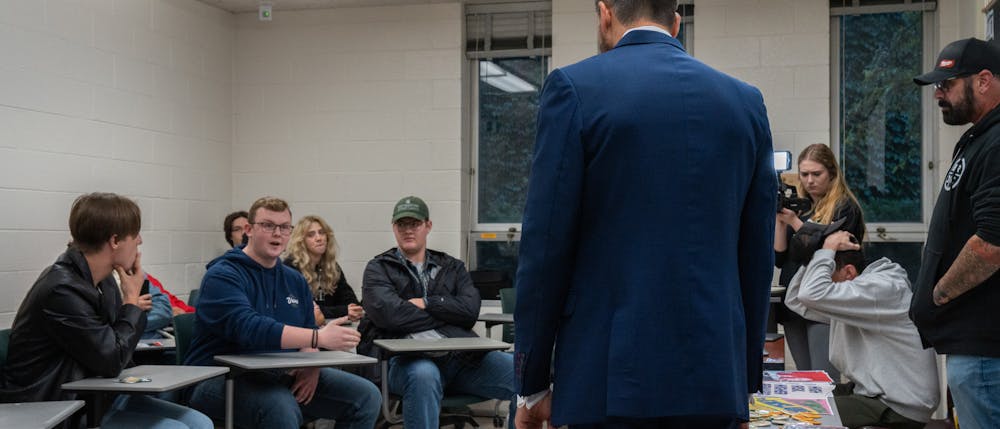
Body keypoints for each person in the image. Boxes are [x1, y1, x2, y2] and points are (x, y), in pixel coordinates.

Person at [512, 1, 776, 427]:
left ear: (605, 13)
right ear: (676, 23)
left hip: (606, 382)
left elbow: (545, 248)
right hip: (715, 380)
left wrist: (532, 384)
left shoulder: (574, 88)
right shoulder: (745, 102)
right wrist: (743, 385)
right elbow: (757, 256)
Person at [0, 192, 212, 429]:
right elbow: (112, 360)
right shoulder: (61, 289)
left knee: (199, 422)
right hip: (58, 406)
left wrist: (132, 299)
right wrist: (131, 303)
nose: (140, 241)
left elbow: (118, 348)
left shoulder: (105, 281)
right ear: (115, 241)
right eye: (135, 234)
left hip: (97, 395)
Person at [185, 197, 381, 429]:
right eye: (268, 225)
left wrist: (312, 366)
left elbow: (307, 328)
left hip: (278, 372)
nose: (277, 233)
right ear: (249, 229)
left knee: (366, 396)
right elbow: (248, 328)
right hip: (220, 377)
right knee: (280, 406)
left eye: (284, 227)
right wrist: (318, 338)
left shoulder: (294, 280)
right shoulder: (223, 275)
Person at [359, 196, 516, 428]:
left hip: (460, 359)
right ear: (393, 227)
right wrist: (448, 314)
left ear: (428, 226)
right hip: (406, 362)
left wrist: (427, 303)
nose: (408, 230)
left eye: (415, 224)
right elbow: (391, 316)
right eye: (402, 224)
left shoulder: (452, 266)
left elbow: (470, 310)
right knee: (424, 375)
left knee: (521, 375)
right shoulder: (378, 269)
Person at [910, 38, 1000, 429]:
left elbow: (993, 243)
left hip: (986, 351)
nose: (938, 95)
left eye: (947, 84)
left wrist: (938, 296)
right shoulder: (981, 138)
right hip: (975, 349)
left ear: (983, 80)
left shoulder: (997, 142)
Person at [785, 231, 939, 429]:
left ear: (849, 272)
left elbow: (811, 294)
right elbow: (796, 299)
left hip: (899, 406)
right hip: (875, 393)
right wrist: (816, 253)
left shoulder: (880, 289)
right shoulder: (860, 293)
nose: (823, 282)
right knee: (794, 400)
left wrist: (827, 250)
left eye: (826, 277)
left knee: (798, 415)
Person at [774, 143, 865, 380]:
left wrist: (794, 222)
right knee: (805, 377)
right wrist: (780, 221)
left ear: (831, 173)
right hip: (793, 300)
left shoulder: (845, 208)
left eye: (817, 174)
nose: (810, 181)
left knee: (824, 379)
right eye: (804, 174)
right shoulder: (801, 207)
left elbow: (830, 249)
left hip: (823, 301)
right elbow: (780, 258)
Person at [285, 215, 364, 324]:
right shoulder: (290, 267)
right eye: (311, 235)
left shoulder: (332, 267)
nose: (319, 238)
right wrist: (342, 311)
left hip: (331, 326)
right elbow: (300, 308)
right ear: (301, 241)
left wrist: (353, 310)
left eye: (322, 233)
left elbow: (351, 303)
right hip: (302, 328)